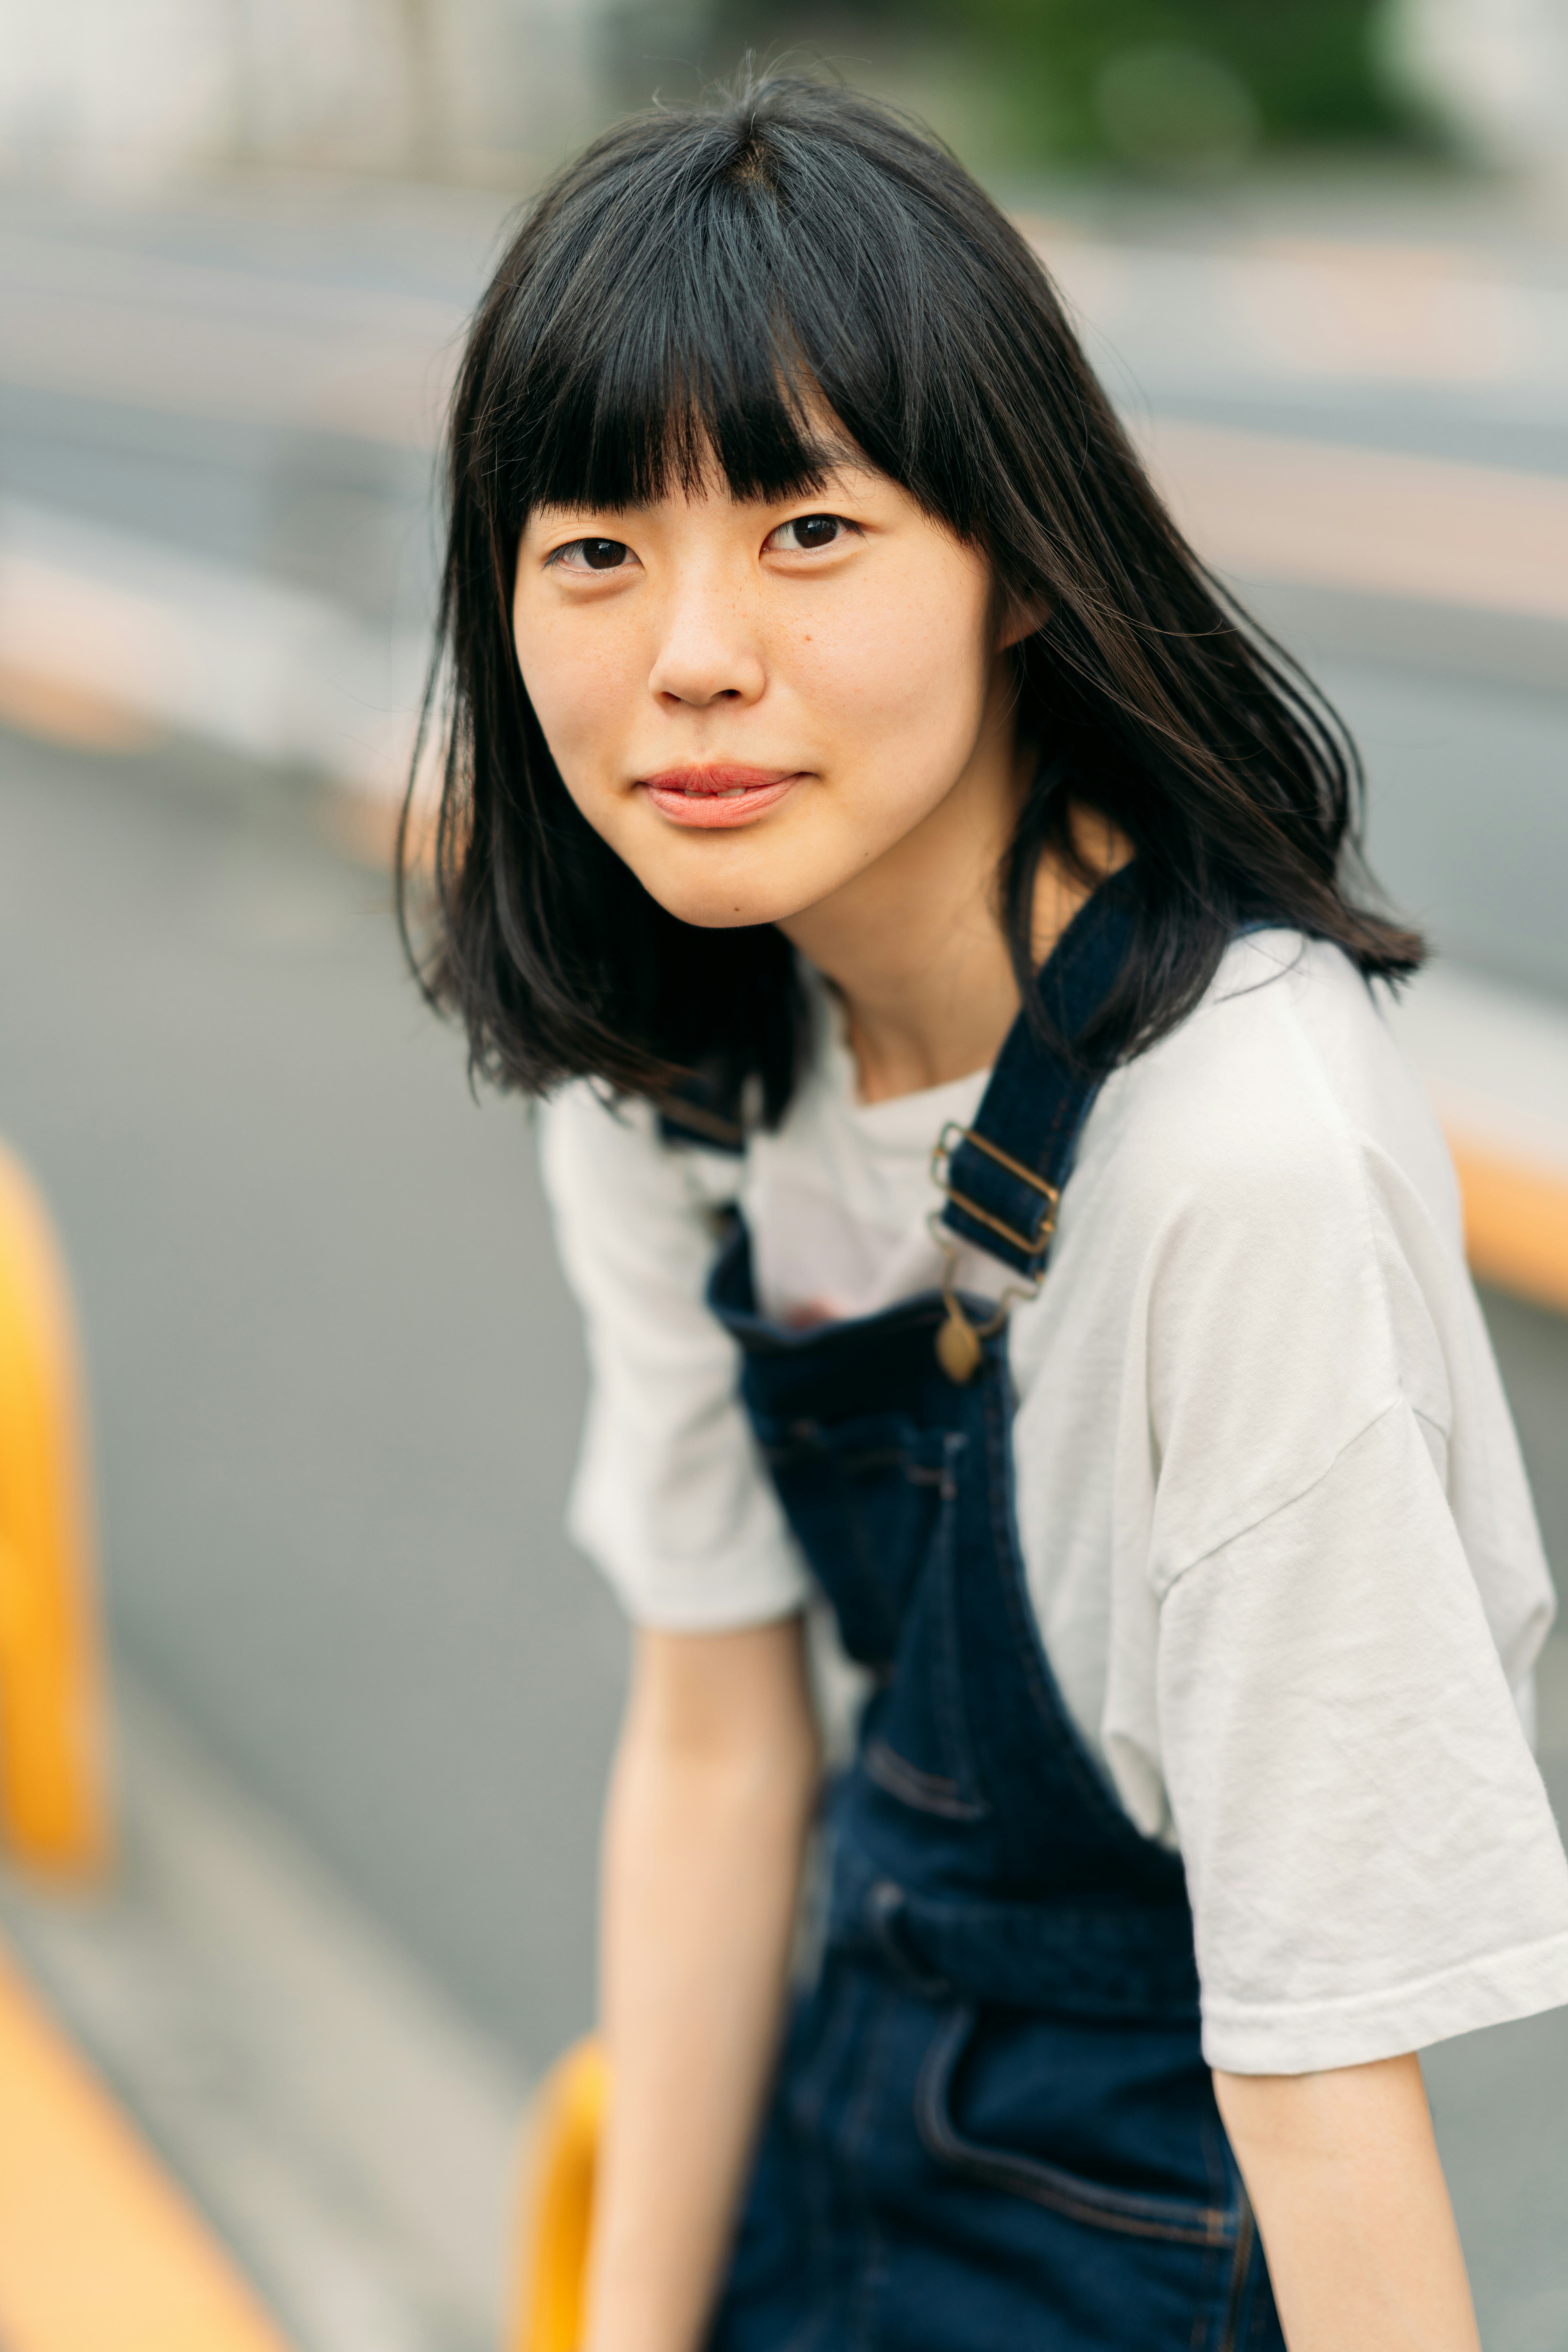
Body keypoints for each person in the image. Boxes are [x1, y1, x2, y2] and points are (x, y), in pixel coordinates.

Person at [402, 74, 1568, 2352]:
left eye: (807, 531)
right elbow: (724, 1743)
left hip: (1149, 2249)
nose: (691, 655)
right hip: (815, 2163)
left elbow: (1324, 2070)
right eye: (594, 550)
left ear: (1016, 560)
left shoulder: (1234, 1153)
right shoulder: (684, 1065)